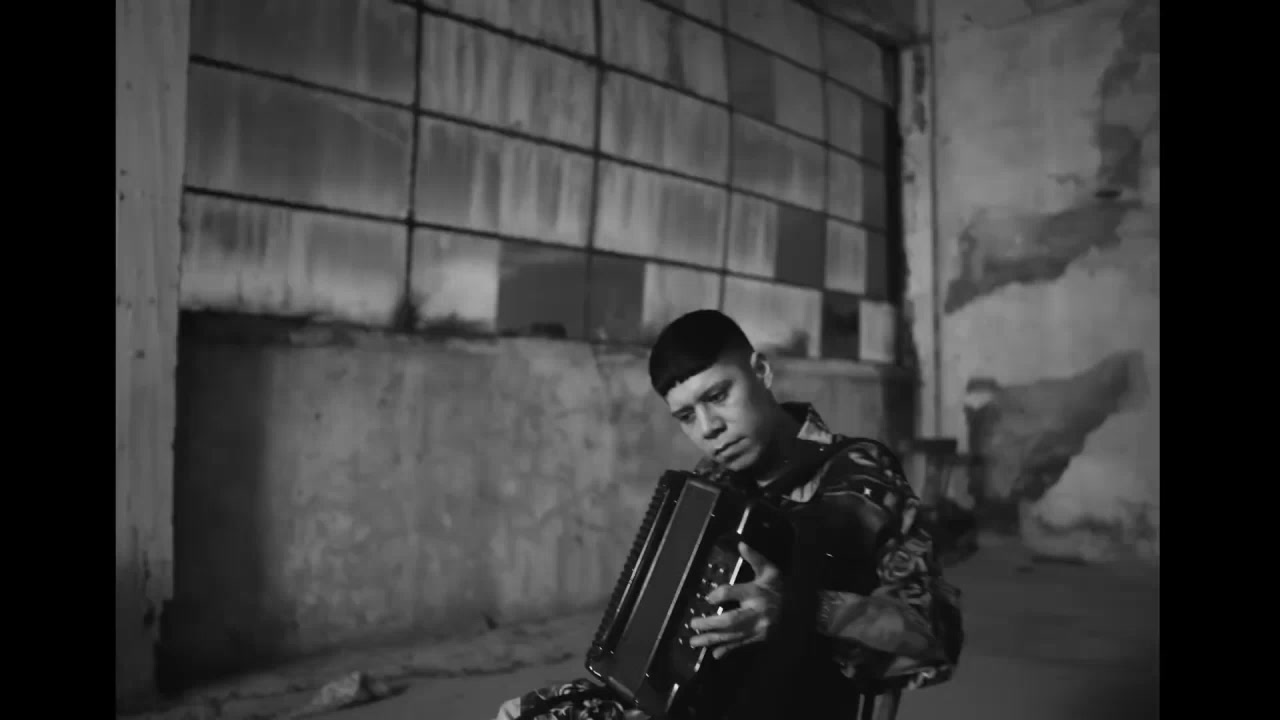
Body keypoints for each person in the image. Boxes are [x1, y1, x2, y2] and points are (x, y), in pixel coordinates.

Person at [493, 310, 963, 720]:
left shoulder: (860, 475)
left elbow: (934, 638)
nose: (709, 428)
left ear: (761, 371)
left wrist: (802, 609)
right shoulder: (710, 483)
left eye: (718, 396)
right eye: (686, 416)